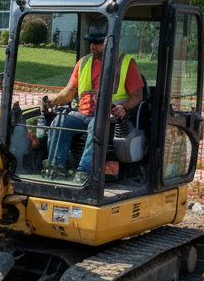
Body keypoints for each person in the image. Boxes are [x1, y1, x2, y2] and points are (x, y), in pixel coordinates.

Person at [41, 17, 143, 185]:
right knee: (61, 120)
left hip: (110, 119)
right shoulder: (84, 63)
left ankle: (84, 173)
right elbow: (69, 92)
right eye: (91, 42)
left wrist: (122, 107)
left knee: (96, 124)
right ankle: (55, 168)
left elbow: (137, 96)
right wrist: (51, 101)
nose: (93, 47)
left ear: (112, 40)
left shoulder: (126, 63)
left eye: (98, 42)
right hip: (83, 115)